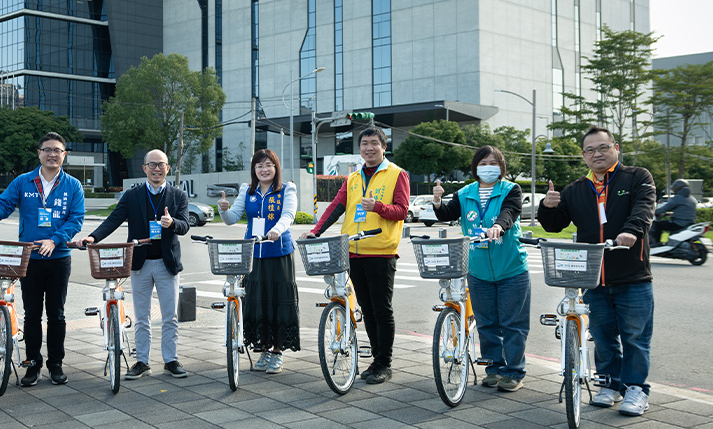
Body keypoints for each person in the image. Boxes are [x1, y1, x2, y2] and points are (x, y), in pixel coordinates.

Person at [538, 126, 657, 417]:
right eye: (590, 150)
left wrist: (631, 231)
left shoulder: (637, 177)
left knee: (634, 338)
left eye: (603, 147)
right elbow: (554, 224)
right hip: (593, 278)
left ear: (616, 148)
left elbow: (644, 208)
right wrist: (547, 206)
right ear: (583, 155)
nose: (597, 154)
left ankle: (636, 389)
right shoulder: (576, 189)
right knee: (603, 337)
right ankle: (609, 385)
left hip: (632, 275)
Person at [306, 127, 410, 384]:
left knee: (382, 309)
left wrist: (379, 208)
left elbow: (402, 211)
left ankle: (384, 363)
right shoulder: (353, 178)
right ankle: (376, 360)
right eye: (364, 144)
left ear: (384, 147)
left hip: (381, 251)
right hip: (353, 251)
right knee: (367, 309)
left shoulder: (397, 174)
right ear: (360, 148)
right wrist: (316, 231)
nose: (369, 148)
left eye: (374, 143)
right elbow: (337, 207)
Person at [78, 149, 191, 380]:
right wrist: (93, 237)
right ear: (144, 168)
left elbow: (185, 225)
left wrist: (171, 223)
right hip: (139, 263)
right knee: (142, 317)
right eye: (152, 164)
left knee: (170, 316)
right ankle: (142, 361)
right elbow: (113, 220)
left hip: (167, 263)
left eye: (161, 164)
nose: (157, 168)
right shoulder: (133, 195)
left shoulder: (178, 195)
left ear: (168, 168)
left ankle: (171, 360)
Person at [0, 132, 85, 386]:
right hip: (29, 259)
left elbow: (76, 219)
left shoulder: (73, 185)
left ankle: (55, 364)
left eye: (58, 150)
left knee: (57, 314)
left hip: (59, 257)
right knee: (31, 315)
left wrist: (56, 239)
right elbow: (3, 205)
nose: (52, 154)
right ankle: (32, 365)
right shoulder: (23, 181)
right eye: (47, 149)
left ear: (64, 155)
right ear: (39, 153)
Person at [432, 146, 529, 392]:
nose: (488, 167)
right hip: (477, 270)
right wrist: (437, 201)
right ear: (475, 167)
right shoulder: (465, 193)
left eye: (493, 162)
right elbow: (447, 214)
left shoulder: (511, 189)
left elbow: (510, 213)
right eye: (483, 163)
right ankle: (494, 368)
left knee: (512, 324)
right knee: (486, 323)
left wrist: (498, 226)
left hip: (511, 268)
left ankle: (514, 372)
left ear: (501, 167)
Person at [217, 149, 300, 374]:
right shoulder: (248, 190)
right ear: (254, 170)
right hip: (253, 253)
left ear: (276, 168)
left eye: (268, 165)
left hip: (278, 252)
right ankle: (262, 348)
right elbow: (232, 218)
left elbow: (288, 215)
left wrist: (276, 230)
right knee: (256, 301)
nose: (264, 169)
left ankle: (277, 351)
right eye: (259, 166)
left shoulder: (287, 189)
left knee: (277, 301)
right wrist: (223, 210)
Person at [652, 179, 697, 245]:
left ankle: (656, 243)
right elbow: (684, 211)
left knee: (656, 224)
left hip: (679, 223)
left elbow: (665, 208)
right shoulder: (692, 198)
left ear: (677, 187)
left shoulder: (678, 197)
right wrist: (671, 214)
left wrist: (653, 212)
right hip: (690, 222)